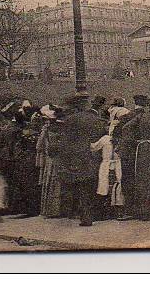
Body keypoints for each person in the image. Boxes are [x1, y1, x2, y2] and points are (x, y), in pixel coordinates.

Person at [50, 93, 104, 226]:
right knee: (90, 186)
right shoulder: (96, 119)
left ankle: (81, 214)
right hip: (93, 156)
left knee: (77, 186)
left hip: (76, 158)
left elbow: (65, 141)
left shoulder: (70, 120)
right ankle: (90, 214)